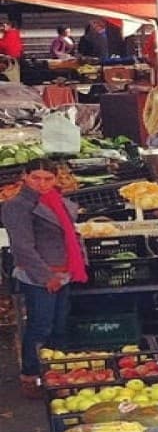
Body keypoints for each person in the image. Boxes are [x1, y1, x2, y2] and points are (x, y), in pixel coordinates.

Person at [1, 159, 88, 396]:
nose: (41, 183)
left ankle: (55, 374)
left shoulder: (57, 201)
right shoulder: (16, 206)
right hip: (40, 276)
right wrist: (46, 276)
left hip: (64, 273)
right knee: (40, 326)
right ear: (25, 177)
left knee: (58, 325)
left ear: (56, 178)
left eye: (47, 179)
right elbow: (23, 248)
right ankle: (31, 376)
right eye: (35, 178)